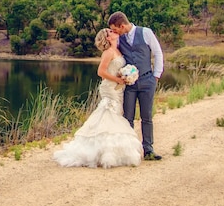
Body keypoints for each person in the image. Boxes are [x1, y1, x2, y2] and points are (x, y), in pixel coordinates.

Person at [53, 28, 143, 168]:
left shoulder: (118, 50)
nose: (114, 32)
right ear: (107, 38)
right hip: (110, 88)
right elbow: (100, 71)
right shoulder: (108, 53)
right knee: (109, 115)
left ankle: (112, 151)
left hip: (118, 88)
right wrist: (116, 79)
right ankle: (102, 152)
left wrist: (126, 75)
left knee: (116, 114)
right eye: (110, 32)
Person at [107, 11, 164, 161]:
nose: (114, 32)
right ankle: (129, 151)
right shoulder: (119, 39)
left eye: (115, 29)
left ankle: (149, 150)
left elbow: (158, 53)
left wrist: (156, 75)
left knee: (147, 117)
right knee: (128, 117)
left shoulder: (146, 32)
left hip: (147, 80)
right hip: (129, 85)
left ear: (122, 25)